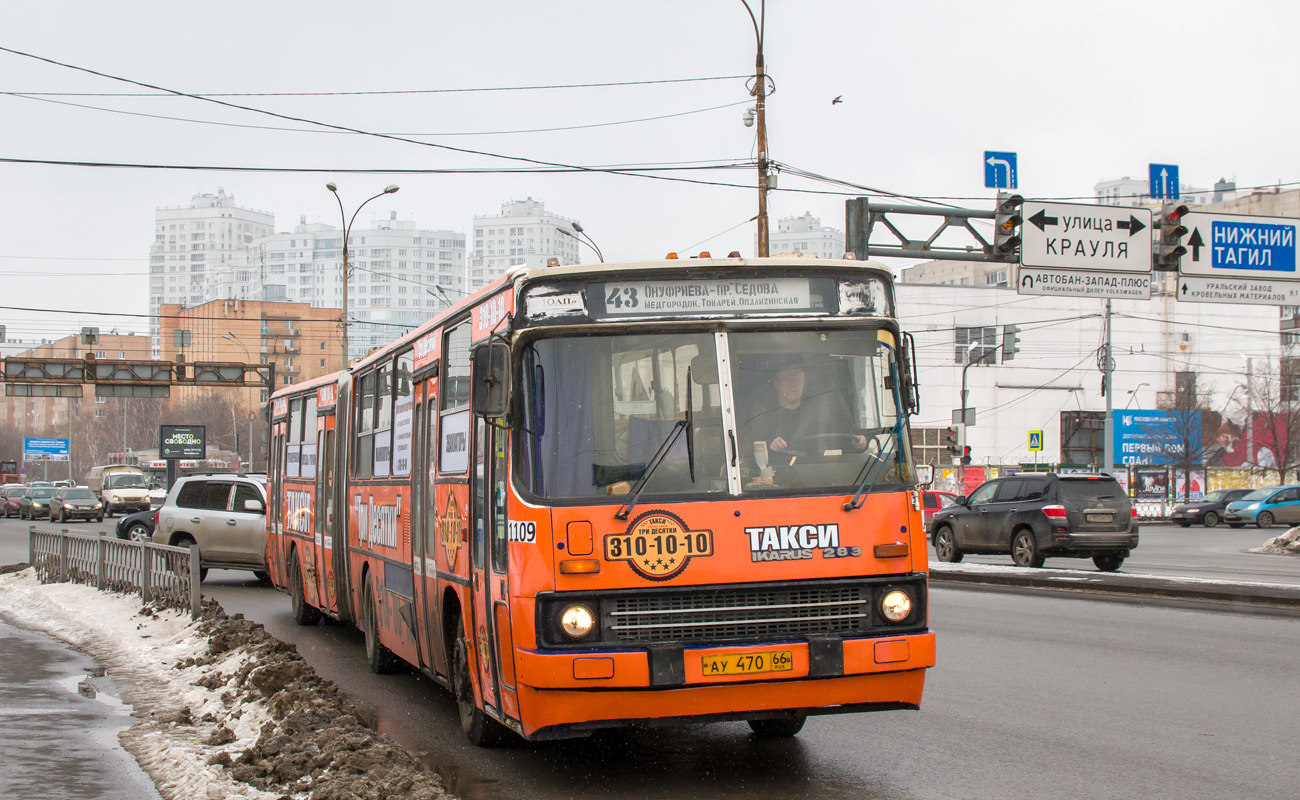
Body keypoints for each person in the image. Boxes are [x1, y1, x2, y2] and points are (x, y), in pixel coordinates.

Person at [749, 364, 867, 467]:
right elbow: (752, 454)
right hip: (782, 478)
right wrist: (771, 446)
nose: (792, 384)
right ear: (777, 384)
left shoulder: (821, 414)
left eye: (796, 380)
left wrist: (860, 443)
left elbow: (846, 441)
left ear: (803, 383)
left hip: (822, 474)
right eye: (787, 379)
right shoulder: (765, 417)